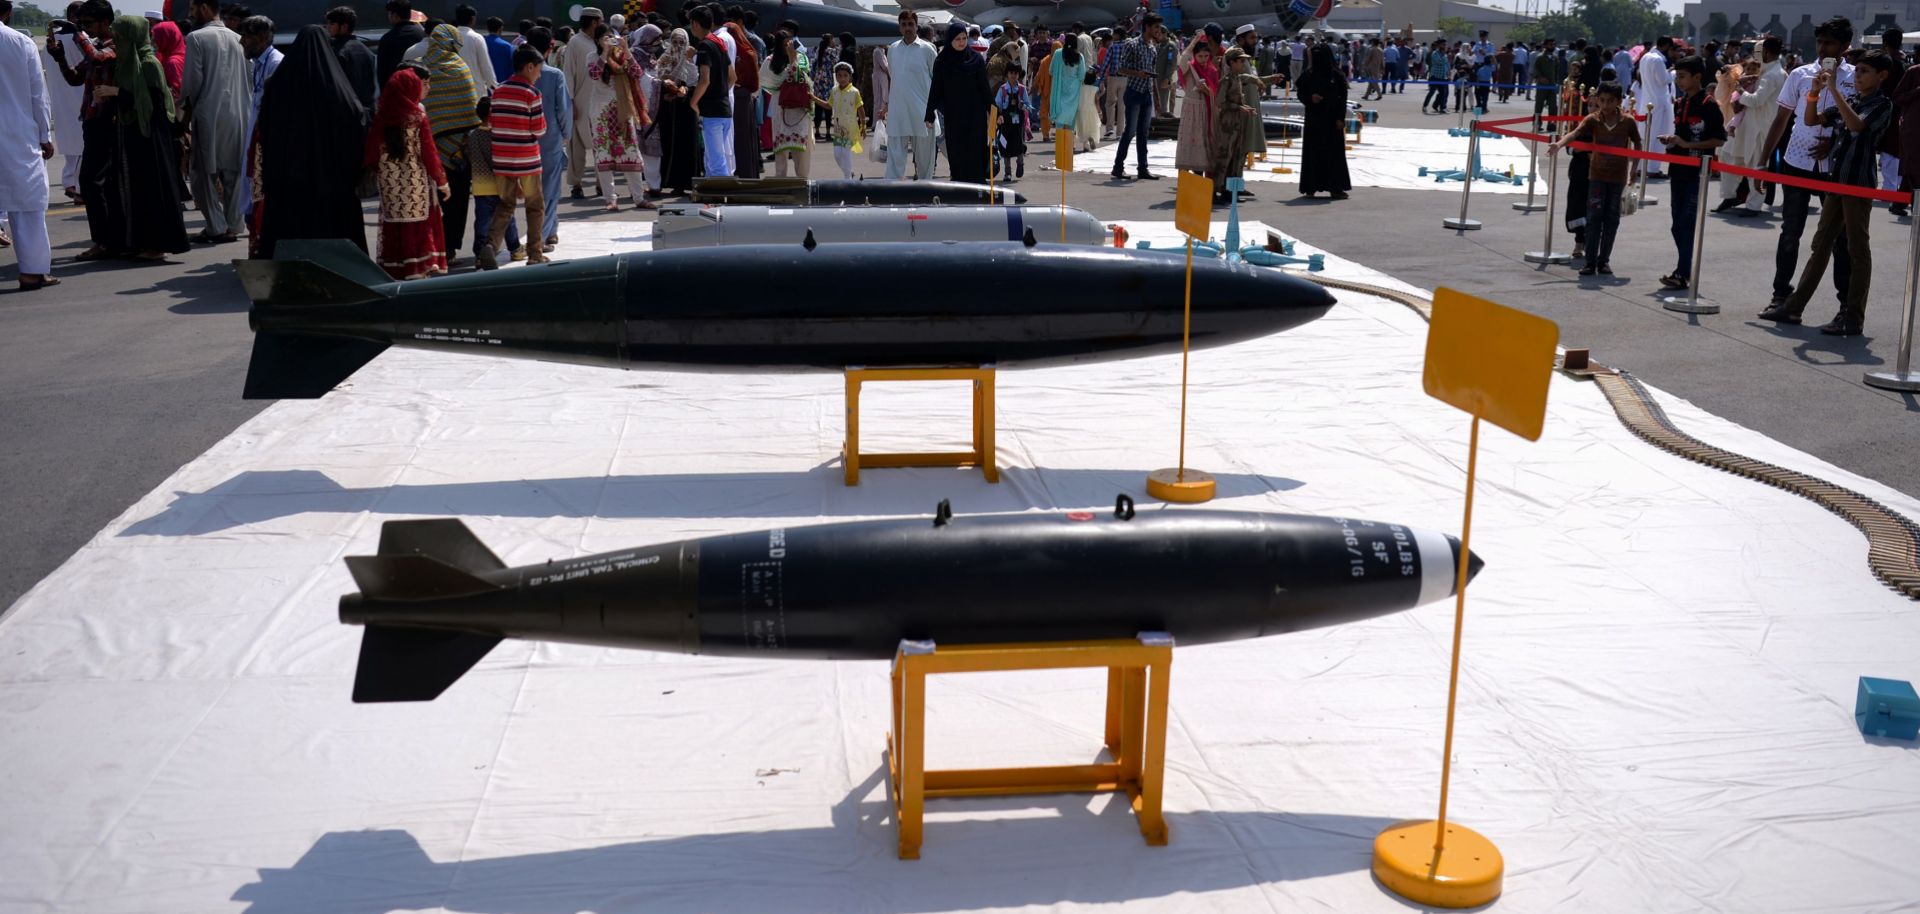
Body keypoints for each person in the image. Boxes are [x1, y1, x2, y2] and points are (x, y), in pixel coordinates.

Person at [1759, 50, 1895, 335]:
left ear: (1882, 76)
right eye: (1857, 71)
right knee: (1821, 245)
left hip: (1858, 183)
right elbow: (1811, 120)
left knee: (1857, 249)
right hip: (1836, 180)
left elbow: (1857, 126)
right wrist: (1814, 93)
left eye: (1865, 71)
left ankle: (1852, 315)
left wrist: (1833, 89)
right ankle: (1794, 305)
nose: (1858, 76)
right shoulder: (1853, 100)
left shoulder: (1881, 104)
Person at [1760, 17, 1857, 313]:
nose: (1823, 48)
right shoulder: (1800, 75)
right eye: (1820, 42)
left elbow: (1859, 123)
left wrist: (1835, 141)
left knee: (1840, 239)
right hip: (1797, 162)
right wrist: (1763, 161)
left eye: (1829, 43)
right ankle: (1780, 294)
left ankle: (1846, 306)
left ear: (1844, 46)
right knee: (1790, 232)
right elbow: (1781, 120)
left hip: (1835, 167)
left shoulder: (1855, 78)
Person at [252, 24, 367, 259]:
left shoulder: (277, 84)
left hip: (289, 179)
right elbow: (356, 121)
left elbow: (264, 128)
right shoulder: (337, 88)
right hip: (332, 181)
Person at [363, 69, 445, 278]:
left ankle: (398, 267)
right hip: (415, 181)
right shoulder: (417, 117)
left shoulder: (382, 117)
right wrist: (442, 181)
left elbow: (371, 153)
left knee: (396, 224)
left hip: (390, 185)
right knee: (417, 223)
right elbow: (429, 152)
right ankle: (418, 267)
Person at [1553, 82, 1640, 276]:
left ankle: (1604, 261)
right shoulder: (1593, 119)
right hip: (1597, 176)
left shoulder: (1628, 121)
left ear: (1618, 101)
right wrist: (1559, 144)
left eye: (1610, 101)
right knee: (1593, 218)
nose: (1605, 105)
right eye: (1601, 101)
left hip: (1617, 178)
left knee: (1612, 219)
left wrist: (1635, 168)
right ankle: (1590, 261)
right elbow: (1576, 133)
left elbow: (1638, 143)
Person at [1655, 56, 1725, 291]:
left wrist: (1685, 144)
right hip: (1678, 171)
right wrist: (1672, 141)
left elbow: (1719, 139)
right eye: (1678, 77)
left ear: (1697, 77)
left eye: (1683, 77)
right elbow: (1681, 133)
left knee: (1687, 222)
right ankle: (1683, 269)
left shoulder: (1708, 105)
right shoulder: (1681, 102)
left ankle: (1682, 273)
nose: (1680, 81)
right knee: (1677, 225)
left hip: (1698, 172)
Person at [181, 0, 247, 244]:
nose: (190, 14)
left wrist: (184, 114)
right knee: (233, 173)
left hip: (208, 114)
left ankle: (216, 227)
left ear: (204, 8)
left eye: (192, 8)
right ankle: (234, 225)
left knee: (202, 174)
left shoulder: (196, 38)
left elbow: (191, 83)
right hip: (238, 113)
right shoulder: (237, 37)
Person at [1, 0, 55, 290]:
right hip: (17, 136)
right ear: (7, 12)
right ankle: (33, 271)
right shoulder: (20, 43)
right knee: (28, 206)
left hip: (15, 134)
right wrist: (45, 135)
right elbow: (38, 94)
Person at [481, 46, 548, 270]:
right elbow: (538, 130)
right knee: (535, 206)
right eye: (538, 69)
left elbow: (491, 123)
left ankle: (490, 245)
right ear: (529, 67)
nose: (539, 74)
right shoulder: (532, 94)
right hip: (527, 160)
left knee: (505, 205)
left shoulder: (498, 91)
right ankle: (535, 254)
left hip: (502, 160)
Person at [421, 24, 480, 262]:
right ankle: (451, 246)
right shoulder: (460, 67)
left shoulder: (423, 68)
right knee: (457, 201)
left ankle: (434, 247)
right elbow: (470, 106)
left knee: (434, 202)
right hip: (462, 147)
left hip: (432, 147)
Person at [583, 23, 650, 210]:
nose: (609, 41)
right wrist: (604, 52)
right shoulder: (593, 56)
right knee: (604, 154)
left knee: (631, 152)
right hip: (601, 112)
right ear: (597, 40)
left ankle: (638, 197)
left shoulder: (622, 56)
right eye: (605, 38)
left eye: (611, 37)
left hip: (623, 110)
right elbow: (595, 75)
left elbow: (638, 73)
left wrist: (626, 49)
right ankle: (610, 199)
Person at [926, 21, 989, 185]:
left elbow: (984, 88)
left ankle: (978, 189)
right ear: (950, 40)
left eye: (964, 38)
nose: (961, 42)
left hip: (976, 115)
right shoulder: (942, 62)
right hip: (954, 116)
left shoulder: (976, 60)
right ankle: (959, 187)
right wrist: (929, 114)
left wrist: (995, 111)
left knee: (975, 152)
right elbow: (936, 89)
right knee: (957, 152)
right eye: (957, 39)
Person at [521, 27, 568, 245]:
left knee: (534, 191)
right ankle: (541, 236)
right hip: (550, 138)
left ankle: (550, 230)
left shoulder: (518, 76)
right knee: (549, 189)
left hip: (523, 139)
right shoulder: (555, 75)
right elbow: (563, 109)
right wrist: (566, 134)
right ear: (550, 47)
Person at [39, 3, 85, 205]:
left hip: (58, 97)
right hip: (80, 96)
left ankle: (69, 182)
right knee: (83, 145)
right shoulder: (81, 40)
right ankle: (79, 188)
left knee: (69, 143)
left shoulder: (51, 41)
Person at [881, 10, 935, 180]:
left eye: (910, 24)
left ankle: (926, 194)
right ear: (899, 28)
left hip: (923, 112)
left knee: (924, 160)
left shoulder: (928, 49)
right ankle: (892, 194)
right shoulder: (893, 49)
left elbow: (936, 79)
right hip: (899, 111)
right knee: (895, 158)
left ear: (916, 26)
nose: (907, 28)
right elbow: (894, 77)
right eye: (904, 24)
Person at [466, 97, 521, 263]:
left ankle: (480, 254)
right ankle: (515, 249)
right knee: (507, 218)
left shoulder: (472, 135)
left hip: (480, 187)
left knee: (482, 222)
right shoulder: (497, 135)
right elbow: (502, 161)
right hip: (501, 185)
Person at [1294, 43, 1350, 200]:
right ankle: (1310, 187)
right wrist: (1310, 98)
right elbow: (1300, 92)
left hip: (1332, 120)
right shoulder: (1309, 74)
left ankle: (1335, 188)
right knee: (1313, 153)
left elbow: (1343, 98)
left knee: (1333, 154)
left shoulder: (1336, 75)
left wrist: (1341, 118)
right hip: (1314, 120)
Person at [1108, 14, 1159, 181]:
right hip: (1134, 92)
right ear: (1147, 27)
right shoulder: (1132, 44)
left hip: (1147, 93)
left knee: (1143, 133)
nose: (1158, 31)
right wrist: (1138, 74)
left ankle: (1143, 168)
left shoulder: (1152, 48)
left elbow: (1153, 74)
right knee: (1129, 131)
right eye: (1156, 27)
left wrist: (1156, 98)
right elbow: (1121, 68)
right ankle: (1118, 166)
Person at [686, 5, 732, 178]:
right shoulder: (719, 43)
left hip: (711, 112)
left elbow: (704, 80)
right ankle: (710, 197)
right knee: (713, 161)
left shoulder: (705, 45)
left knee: (716, 162)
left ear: (696, 24)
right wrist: (720, 93)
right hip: (724, 108)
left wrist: (694, 102)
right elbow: (732, 77)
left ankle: (723, 198)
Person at [562, 6, 602, 197]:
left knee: (601, 144)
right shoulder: (575, 42)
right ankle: (576, 185)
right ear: (594, 22)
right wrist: (569, 102)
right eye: (600, 21)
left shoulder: (601, 42)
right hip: (579, 102)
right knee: (576, 147)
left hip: (600, 103)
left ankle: (602, 184)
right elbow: (568, 73)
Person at [654, 27, 699, 193]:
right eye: (675, 42)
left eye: (682, 42)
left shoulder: (692, 59)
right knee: (669, 142)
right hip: (669, 105)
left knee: (686, 142)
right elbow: (665, 78)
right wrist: (682, 62)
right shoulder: (665, 57)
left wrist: (688, 61)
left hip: (686, 106)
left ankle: (686, 182)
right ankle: (669, 181)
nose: (678, 45)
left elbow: (694, 80)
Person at [1209, 47, 1257, 200]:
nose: (1243, 63)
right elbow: (1220, 102)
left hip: (1237, 122)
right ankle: (1214, 190)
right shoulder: (1227, 80)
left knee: (1236, 158)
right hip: (1228, 123)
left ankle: (1229, 191)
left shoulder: (1237, 78)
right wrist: (1239, 107)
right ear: (1231, 62)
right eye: (1240, 61)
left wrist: (1244, 107)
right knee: (1224, 157)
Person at [764, 29, 812, 177]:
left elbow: (801, 78)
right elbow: (766, 81)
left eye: (790, 43)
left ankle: (803, 180)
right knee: (781, 149)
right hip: (781, 106)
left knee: (801, 149)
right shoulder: (770, 61)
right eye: (785, 44)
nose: (789, 47)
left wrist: (793, 59)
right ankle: (781, 180)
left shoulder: (802, 58)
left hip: (799, 108)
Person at [1173, 34, 1215, 180]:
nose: (1203, 59)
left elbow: (1216, 94)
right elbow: (1183, 58)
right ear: (1194, 56)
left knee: (1201, 143)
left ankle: (1199, 179)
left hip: (1204, 110)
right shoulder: (1189, 69)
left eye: (1206, 56)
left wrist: (1205, 90)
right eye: (1200, 56)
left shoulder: (1212, 71)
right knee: (1186, 141)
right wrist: (1194, 41)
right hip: (1190, 109)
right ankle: (1183, 180)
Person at [726, 19, 760, 179]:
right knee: (742, 138)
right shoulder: (748, 51)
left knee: (740, 139)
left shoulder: (744, 53)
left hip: (740, 97)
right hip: (743, 97)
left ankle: (744, 173)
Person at [326, 5, 376, 109]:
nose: (328, 27)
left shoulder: (337, 52)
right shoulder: (367, 50)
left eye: (332, 23)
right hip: (366, 109)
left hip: (345, 110)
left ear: (344, 27)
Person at [1638, 36, 1674, 176]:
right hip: (1658, 102)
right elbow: (1663, 80)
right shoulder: (1658, 59)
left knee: (1647, 135)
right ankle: (1652, 168)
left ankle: (1643, 166)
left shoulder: (1645, 57)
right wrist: (1674, 72)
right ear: (1665, 46)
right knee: (1658, 135)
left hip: (1647, 99)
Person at [1047, 28, 1083, 146]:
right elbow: (1082, 76)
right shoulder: (1079, 57)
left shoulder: (1057, 54)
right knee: (1071, 120)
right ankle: (1069, 146)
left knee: (1059, 120)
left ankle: (1060, 146)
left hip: (1059, 91)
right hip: (1073, 91)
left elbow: (1051, 70)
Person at [830, 60, 864, 178]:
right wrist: (813, 98)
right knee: (837, 155)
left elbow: (860, 109)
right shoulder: (834, 91)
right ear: (836, 77)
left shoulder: (854, 92)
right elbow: (829, 104)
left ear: (850, 77)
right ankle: (849, 173)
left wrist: (863, 126)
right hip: (838, 130)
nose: (842, 78)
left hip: (850, 129)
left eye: (845, 75)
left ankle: (848, 180)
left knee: (846, 154)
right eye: (839, 75)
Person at [377, 0, 423, 86]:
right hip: (419, 89)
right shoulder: (422, 35)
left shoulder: (387, 39)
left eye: (389, 13)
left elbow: (382, 73)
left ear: (395, 16)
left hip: (397, 90)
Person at [485, 16, 512, 83]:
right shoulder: (507, 46)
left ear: (487, 28)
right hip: (502, 84)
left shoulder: (481, 43)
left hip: (485, 84)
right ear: (501, 28)